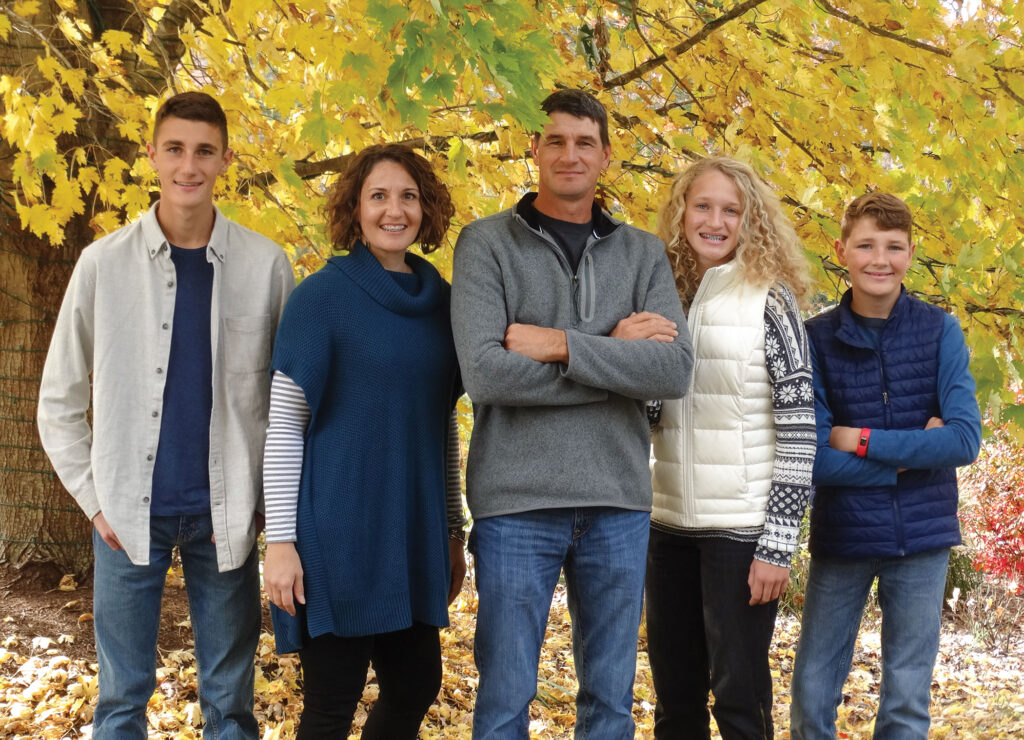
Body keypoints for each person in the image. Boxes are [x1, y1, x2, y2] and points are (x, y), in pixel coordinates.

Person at [37, 92, 294, 739]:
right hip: (126, 513)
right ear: (151, 155)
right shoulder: (103, 264)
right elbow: (58, 401)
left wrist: (267, 502)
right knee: (121, 699)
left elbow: (286, 401)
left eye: (204, 150)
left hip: (226, 517)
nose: (189, 165)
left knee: (230, 701)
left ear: (225, 159)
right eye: (175, 148)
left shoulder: (265, 266)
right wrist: (96, 504)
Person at [450, 88, 693, 739]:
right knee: (505, 699)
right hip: (516, 501)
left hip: (617, 500)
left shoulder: (642, 254)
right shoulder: (485, 245)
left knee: (609, 703)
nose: (569, 154)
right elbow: (488, 375)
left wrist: (559, 345)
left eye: (585, 142)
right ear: (532, 147)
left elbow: (672, 370)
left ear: (607, 155)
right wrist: (613, 356)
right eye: (554, 139)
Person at [261, 143, 466, 739]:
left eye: (408, 196)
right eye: (378, 196)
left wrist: (454, 529)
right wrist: (279, 542)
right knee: (331, 703)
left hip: (413, 533)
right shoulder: (320, 299)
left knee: (415, 684)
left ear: (426, 209)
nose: (393, 210)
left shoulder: (443, 305)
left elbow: (442, 425)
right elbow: (285, 426)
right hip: (337, 535)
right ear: (355, 208)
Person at [790, 192, 982, 739]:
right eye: (866, 245)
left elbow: (965, 441)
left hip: (922, 541)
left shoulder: (939, 330)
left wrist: (863, 440)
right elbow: (816, 457)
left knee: (905, 700)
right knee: (811, 694)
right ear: (842, 251)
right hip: (845, 536)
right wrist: (910, 457)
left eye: (894, 247)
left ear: (911, 252)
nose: (881, 259)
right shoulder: (816, 338)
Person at [646, 156, 816, 739]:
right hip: (665, 525)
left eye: (730, 210)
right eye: (702, 206)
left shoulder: (771, 301)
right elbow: (648, 410)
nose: (714, 221)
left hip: (740, 535)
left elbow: (800, 431)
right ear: (682, 212)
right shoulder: (659, 290)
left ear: (750, 221)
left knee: (740, 703)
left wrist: (778, 545)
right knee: (675, 704)